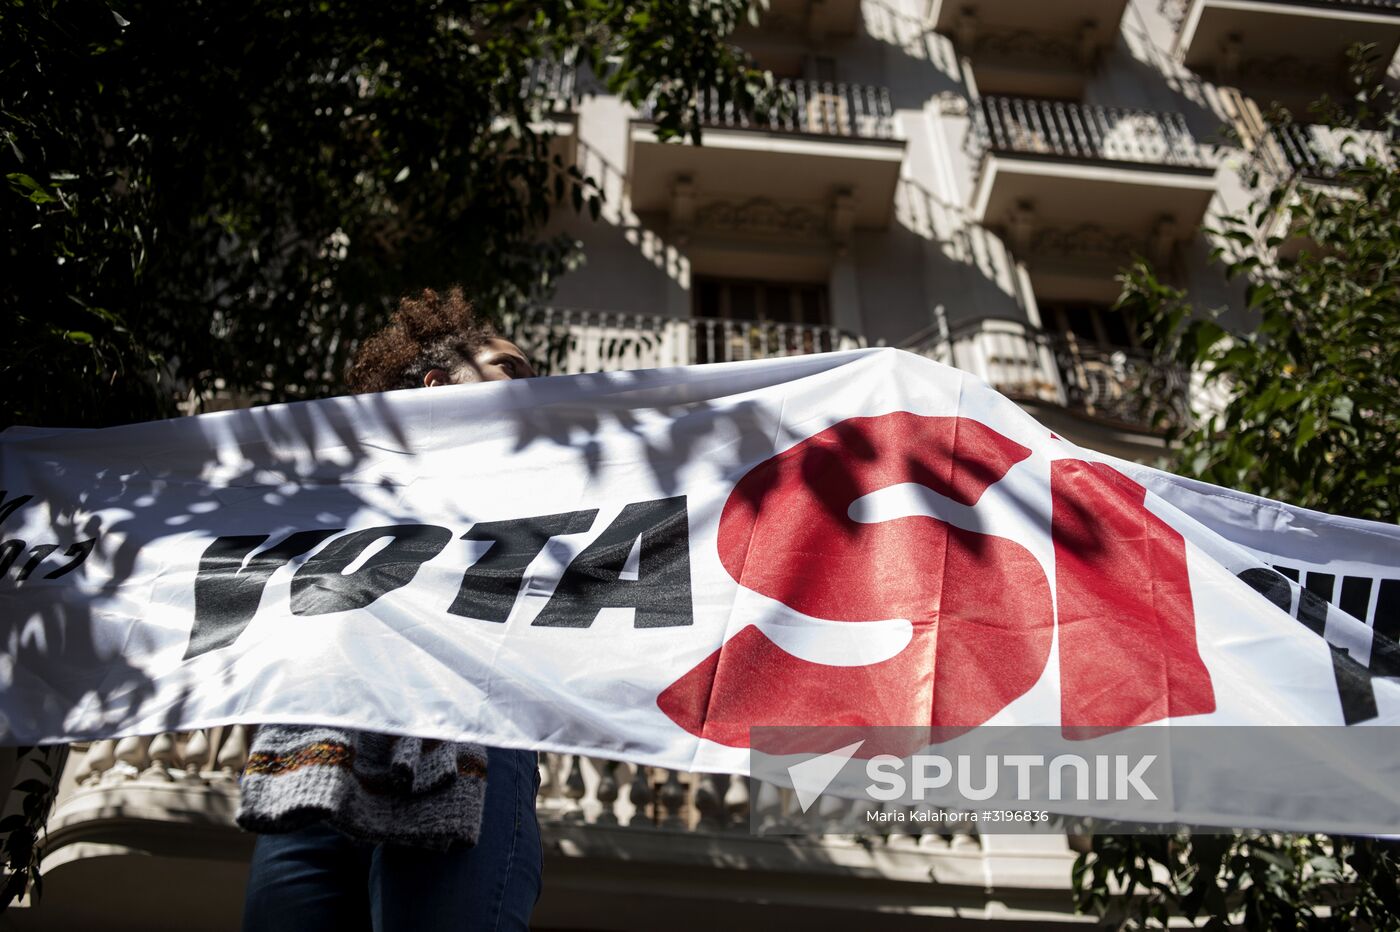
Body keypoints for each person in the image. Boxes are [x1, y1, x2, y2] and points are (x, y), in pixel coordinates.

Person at [239, 287, 543, 931]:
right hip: (319, 742)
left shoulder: (565, 494)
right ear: (438, 384)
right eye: (509, 368)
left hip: (472, 738)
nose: (535, 389)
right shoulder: (331, 486)